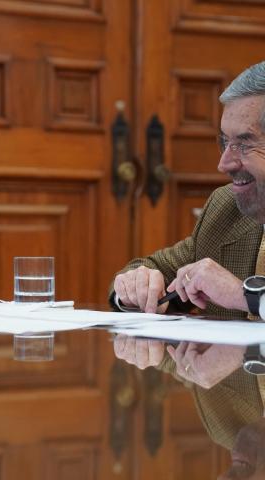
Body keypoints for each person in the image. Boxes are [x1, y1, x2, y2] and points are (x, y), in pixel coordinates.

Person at [111, 61, 265, 449]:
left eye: (244, 143)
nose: (225, 163)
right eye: (223, 142)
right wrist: (134, 285)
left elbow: (234, 293)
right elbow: (154, 268)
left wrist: (244, 296)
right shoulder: (226, 211)